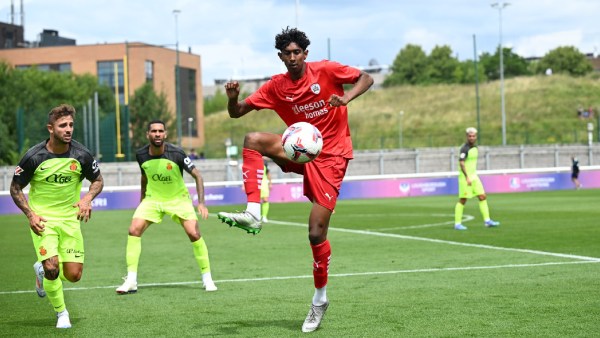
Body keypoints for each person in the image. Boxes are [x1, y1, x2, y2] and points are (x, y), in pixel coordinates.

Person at [217, 27, 374, 333]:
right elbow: (237, 113)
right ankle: (253, 212)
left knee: (316, 234)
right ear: (280, 56)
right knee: (252, 139)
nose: (292, 58)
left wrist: (346, 97)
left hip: (332, 157)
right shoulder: (276, 86)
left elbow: (366, 78)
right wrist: (232, 99)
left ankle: (319, 299)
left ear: (305, 53)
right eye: (286, 53)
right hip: (301, 152)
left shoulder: (326, 70)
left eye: (296, 52)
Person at [10, 104, 104, 329]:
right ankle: (62, 313)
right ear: (50, 128)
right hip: (43, 221)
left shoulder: (82, 154)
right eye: (63, 125)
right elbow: (15, 188)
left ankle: (40, 270)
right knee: (53, 267)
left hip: (71, 221)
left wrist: (87, 199)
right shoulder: (34, 157)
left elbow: (98, 180)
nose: (68, 129)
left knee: (73, 275)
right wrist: (31, 215)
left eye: (71, 125)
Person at [116, 120, 216, 294]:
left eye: (160, 131)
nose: (157, 134)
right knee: (134, 230)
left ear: (165, 134)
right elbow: (144, 177)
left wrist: (201, 203)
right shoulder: (141, 155)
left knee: (194, 233)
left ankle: (207, 278)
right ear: (148, 134)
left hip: (179, 200)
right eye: (153, 131)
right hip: (153, 199)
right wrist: (142, 200)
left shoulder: (176, 153)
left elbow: (198, 176)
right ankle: (131, 280)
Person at [454, 127, 500, 230]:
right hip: (465, 178)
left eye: (473, 136)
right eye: (470, 136)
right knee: (463, 200)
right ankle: (457, 224)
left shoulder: (475, 148)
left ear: (476, 137)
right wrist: (467, 177)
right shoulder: (464, 148)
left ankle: (487, 221)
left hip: (474, 177)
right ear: (467, 136)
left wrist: (472, 176)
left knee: (482, 196)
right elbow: (461, 163)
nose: (472, 138)